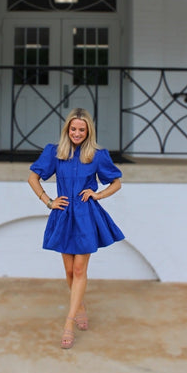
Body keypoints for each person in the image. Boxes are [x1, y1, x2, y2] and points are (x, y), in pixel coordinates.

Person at [28, 107, 124, 349]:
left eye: (82, 129)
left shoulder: (97, 155)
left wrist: (98, 194)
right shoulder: (55, 152)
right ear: (67, 129)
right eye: (73, 128)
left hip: (86, 216)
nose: (77, 133)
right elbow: (32, 177)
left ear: (88, 130)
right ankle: (79, 306)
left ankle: (69, 322)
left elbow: (117, 183)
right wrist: (48, 201)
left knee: (80, 270)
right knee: (70, 271)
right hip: (63, 214)